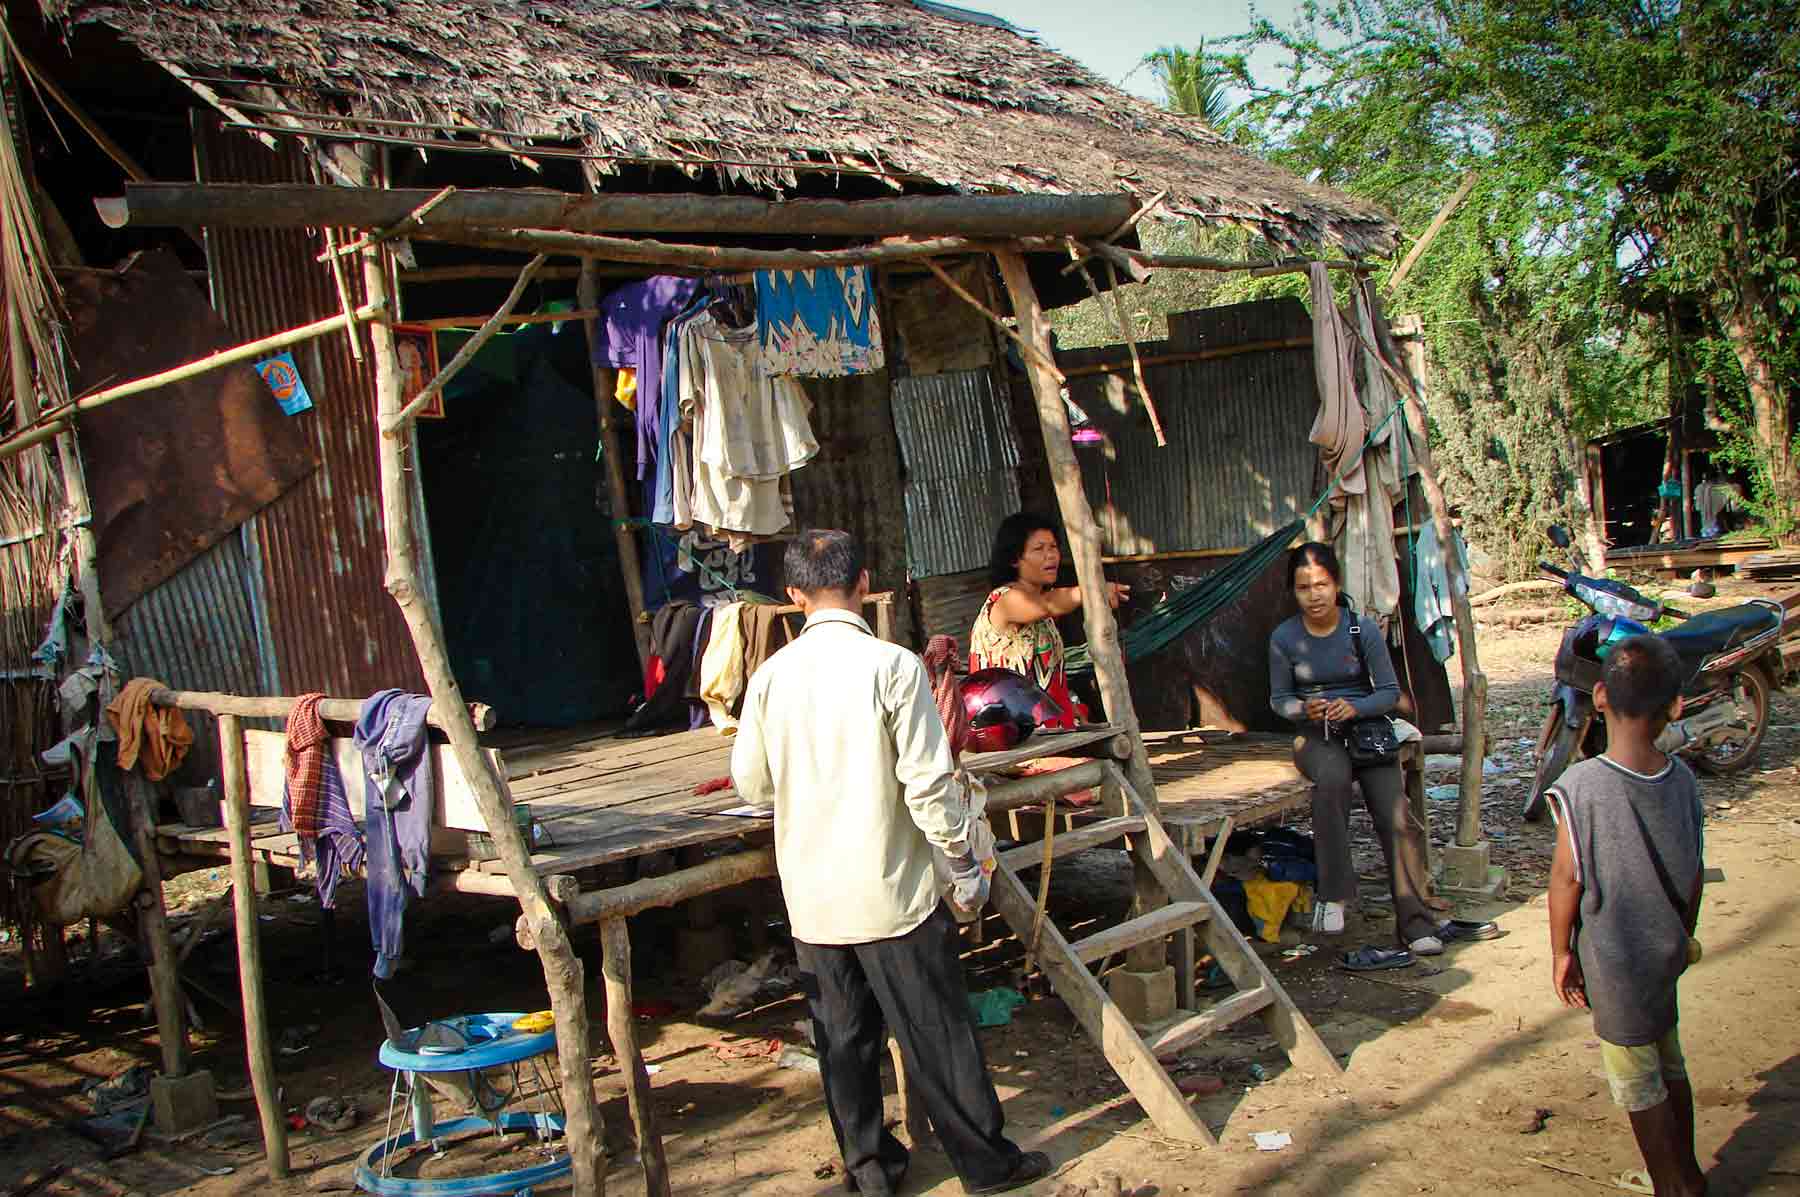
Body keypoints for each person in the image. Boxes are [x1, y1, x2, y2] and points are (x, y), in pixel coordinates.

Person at [731, 530, 1049, 1197]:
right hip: (894, 895)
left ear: (793, 595)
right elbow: (930, 787)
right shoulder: (893, 667)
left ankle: (871, 1171)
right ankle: (986, 1164)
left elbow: (754, 787)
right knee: (938, 1033)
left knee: (844, 1047)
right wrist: (962, 859)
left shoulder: (769, 678)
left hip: (816, 902)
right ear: (865, 581)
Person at [1547, 636, 1707, 1197]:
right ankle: (1688, 1172)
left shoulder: (1580, 786)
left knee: (1639, 1083)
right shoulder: (1682, 780)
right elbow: (1693, 872)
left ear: (1598, 697)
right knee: (1670, 1060)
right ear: (1677, 706)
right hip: (1667, 948)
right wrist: (1683, 933)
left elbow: (1567, 877)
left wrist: (1562, 951)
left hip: (1615, 964)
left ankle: (1671, 1186)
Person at [1268, 542, 1445, 961]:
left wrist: (1357, 706)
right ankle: (1334, 894)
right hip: (1316, 734)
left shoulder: (1359, 629)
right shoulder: (1284, 637)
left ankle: (1415, 924)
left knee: (1396, 816)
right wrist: (1302, 708)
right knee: (1331, 783)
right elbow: (1278, 699)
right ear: (1293, 592)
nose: (1314, 595)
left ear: (1337, 584)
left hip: (1367, 731)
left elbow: (1387, 693)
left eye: (1322, 584)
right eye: (1304, 587)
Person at [969, 512, 1128, 728]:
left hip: (1047, 730)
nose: (1051, 555)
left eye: (1053, 547)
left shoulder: (1043, 615)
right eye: (1039, 549)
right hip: (1011, 734)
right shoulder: (1005, 600)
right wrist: (1093, 590)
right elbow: (1048, 603)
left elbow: (1047, 676)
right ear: (1015, 559)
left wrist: (1068, 707)